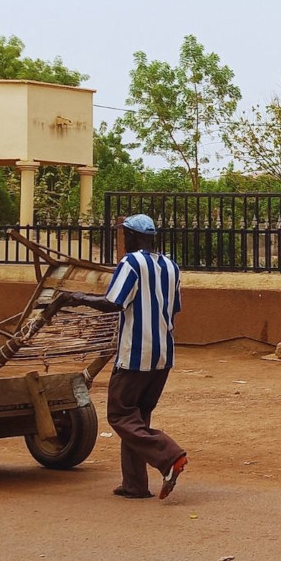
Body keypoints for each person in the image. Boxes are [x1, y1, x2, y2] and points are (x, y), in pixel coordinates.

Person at [53, 213, 188, 499]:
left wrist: (73, 297)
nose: (123, 240)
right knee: (138, 418)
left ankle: (169, 455)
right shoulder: (171, 266)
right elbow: (174, 308)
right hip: (163, 354)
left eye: (125, 234)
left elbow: (113, 303)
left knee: (120, 414)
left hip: (135, 354)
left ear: (135, 236)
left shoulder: (131, 263)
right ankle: (134, 484)